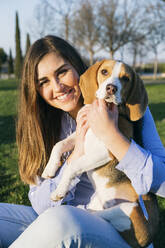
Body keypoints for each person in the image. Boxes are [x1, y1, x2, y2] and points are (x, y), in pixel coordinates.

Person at [0, 35, 165, 248]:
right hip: (65, 217)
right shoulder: (39, 124)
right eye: (44, 82)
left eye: (62, 72)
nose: (57, 87)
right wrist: (74, 155)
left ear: (78, 68)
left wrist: (112, 136)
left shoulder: (131, 105)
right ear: (36, 89)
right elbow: (42, 206)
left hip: (122, 227)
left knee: (60, 222)